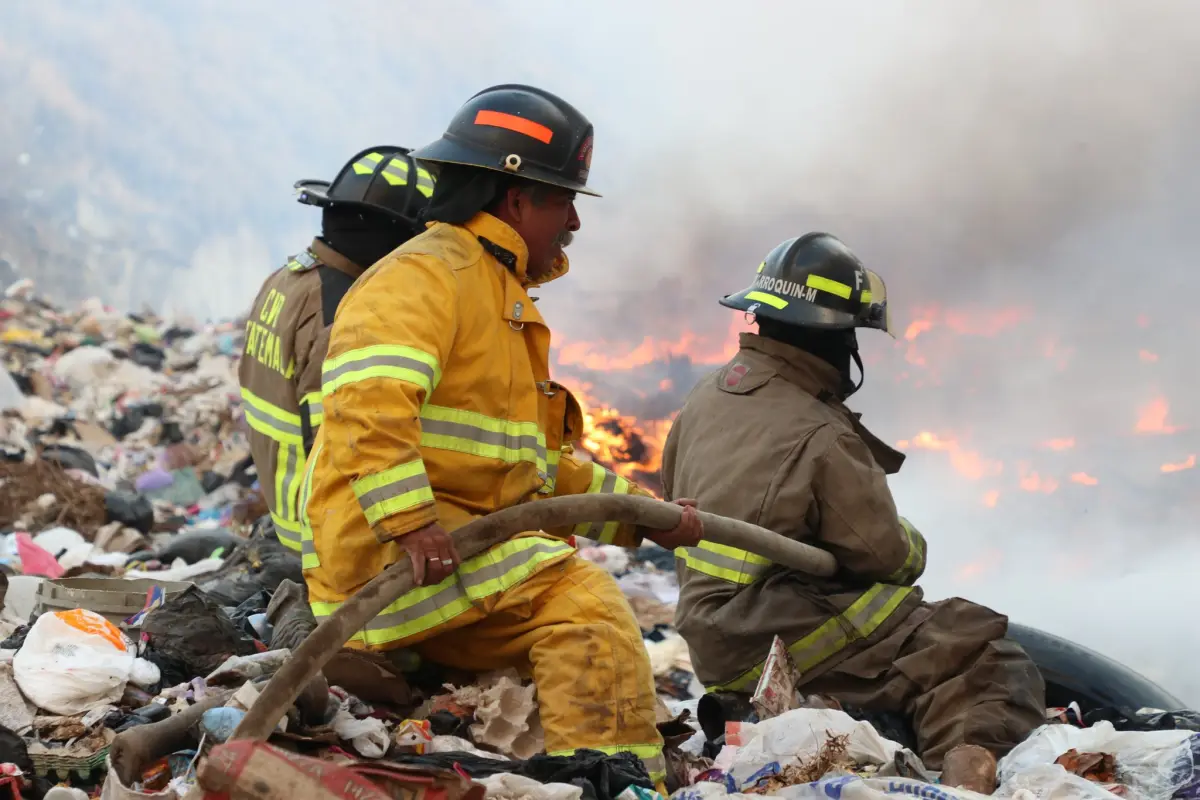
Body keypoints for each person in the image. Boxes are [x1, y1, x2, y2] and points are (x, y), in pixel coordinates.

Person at [298, 84, 702, 785]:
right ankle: (621, 787)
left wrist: (646, 518)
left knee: (568, 604)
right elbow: (369, 405)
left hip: (449, 546)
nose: (574, 219)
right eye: (562, 199)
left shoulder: (492, 290)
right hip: (390, 564)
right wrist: (412, 522)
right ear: (515, 197)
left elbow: (538, 471)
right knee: (584, 608)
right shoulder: (426, 277)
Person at [661, 233, 1046, 774]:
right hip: (771, 632)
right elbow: (884, 555)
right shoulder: (819, 432)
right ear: (835, 336)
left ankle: (801, 712)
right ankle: (956, 786)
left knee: (898, 640)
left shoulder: (706, 396)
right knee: (981, 656)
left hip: (709, 635)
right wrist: (913, 540)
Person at [238, 146, 435, 552]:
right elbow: (340, 448)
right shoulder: (343, 315)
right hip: (322, 538)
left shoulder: (288, 278)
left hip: (286, 512)